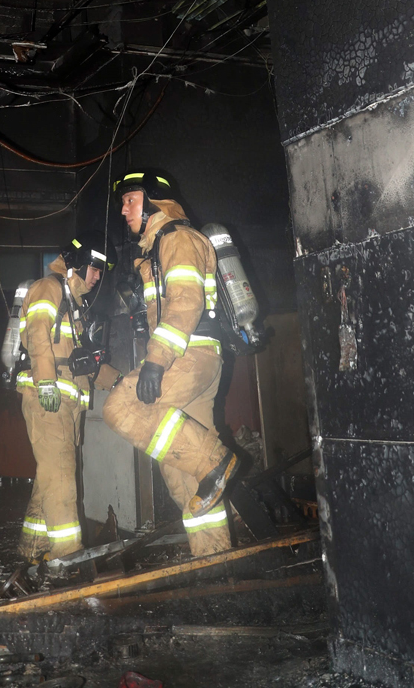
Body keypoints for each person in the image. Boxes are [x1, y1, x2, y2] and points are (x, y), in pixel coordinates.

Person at [102, 171, 240, 556]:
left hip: (187, 355)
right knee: (181, 474)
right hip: (197, 357)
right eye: (123, 202)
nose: (124, 208)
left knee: (120, 407)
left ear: (155, 201)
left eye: (132, 199)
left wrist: (155, 361)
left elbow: (185, 301)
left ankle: (215, 461)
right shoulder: (155, 249)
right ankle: (214, 559)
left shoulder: (177, 238)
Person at [16, 238, 111, 563]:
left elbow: (84, 362)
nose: (98, 277)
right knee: (60, 475)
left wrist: (124, 382)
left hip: (66, 401)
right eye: (95, 269)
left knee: (50, 477)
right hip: (48, 397)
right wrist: (45, 381)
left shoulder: (75, 307)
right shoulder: (49, 287)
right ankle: (68, 556)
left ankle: (34, 548)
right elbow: (38, 332)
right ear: (77, 265)